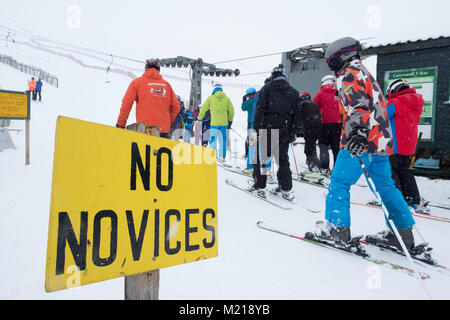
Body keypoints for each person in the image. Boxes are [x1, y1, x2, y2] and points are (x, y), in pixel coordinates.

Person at [310, 37, 418, 254]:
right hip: (380, 142)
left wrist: (358, 133)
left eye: (331, 60)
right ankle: (402, 235)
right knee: (386, 186)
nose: (331, 65)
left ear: (340, 56)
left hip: (358, 140)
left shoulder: (348, 74)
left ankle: (337, 230)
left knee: (339, 183)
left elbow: (357, 105)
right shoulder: (365, 72)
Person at [250, 64, 301, 200]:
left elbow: (260, 109)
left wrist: (255, 127)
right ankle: (285, 187)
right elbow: (297, 115)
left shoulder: (267, 88)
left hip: (268, 128)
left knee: (262, 159)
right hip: (284, 130)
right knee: (282, 159)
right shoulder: (294, 92)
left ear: (273, 76)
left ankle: (260, 185)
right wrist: (293, 131)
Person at [385, 78, 428, 213]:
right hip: (409, 145)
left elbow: (381, 116)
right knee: (406, 172)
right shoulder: (416, 103)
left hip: (394, 145)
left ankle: (395, 199)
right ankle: (413, 198)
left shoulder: (394, 102)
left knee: (391, 171)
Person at [116, 59, 180, 138]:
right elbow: (176, 107)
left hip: (145, 129)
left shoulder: (137, 83)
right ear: (158, 69)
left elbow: (127, 103)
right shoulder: (167, 85)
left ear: (146, 68)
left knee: (143, 150)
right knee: (161, 150)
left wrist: (120, 124)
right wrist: (167, 122)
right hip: (163, 131)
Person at [197, 83, 234, 162]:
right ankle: (223, 156)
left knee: (213, 139)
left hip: (214, 123)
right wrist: (230, 120)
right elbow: (232, 111)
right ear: (221, 89)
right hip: (224, 124)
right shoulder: (227, 99)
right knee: (222, 140)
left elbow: (203, 109)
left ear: (214, 89)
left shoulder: (210, 98)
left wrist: (199, 118)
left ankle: (213, 155)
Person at [313, 75, 342, 174]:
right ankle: (337, 168)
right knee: (336, 147)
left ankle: (325, 167)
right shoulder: (338, 93)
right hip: (337, 124)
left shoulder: (320, 94)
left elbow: (314, 108)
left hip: (324, 124)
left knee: (323, 145)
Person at [299, 92, 322, 174]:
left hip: (309, 128)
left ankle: (314, 166)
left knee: (309, 148)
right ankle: (316, 163)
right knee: (311, 145)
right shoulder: (314, 104)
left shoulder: (301, 105)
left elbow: (299, 117)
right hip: (318, 128)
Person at [242, 88, 257, 159]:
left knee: (250, 138)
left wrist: (244, 100)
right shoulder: (259, 99)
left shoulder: (249, 101)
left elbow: (243, 108)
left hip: (251, 122)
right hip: (259, 122)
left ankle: (248, 153)